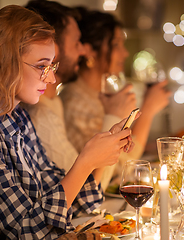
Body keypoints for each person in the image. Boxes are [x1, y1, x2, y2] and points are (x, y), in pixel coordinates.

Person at [0, 5, 134, 239]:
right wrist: (85, 162)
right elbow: (29, 229)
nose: (52, 77)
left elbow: (58, 199)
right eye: (42, 66)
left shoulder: (17, 118)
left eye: (52, 66)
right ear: (4, 62)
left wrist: (105, 151)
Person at [59, 8, 171, 186]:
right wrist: (147, 111)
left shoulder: (100, 94)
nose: (125, 53)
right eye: (116, 44)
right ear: (90, 51)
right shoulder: (74, 101)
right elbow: (109, 173)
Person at [23, 0, 84, 173]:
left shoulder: (52, 103)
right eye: (76, 42)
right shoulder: (37, 113)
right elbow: (79, 190)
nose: (83, 50)